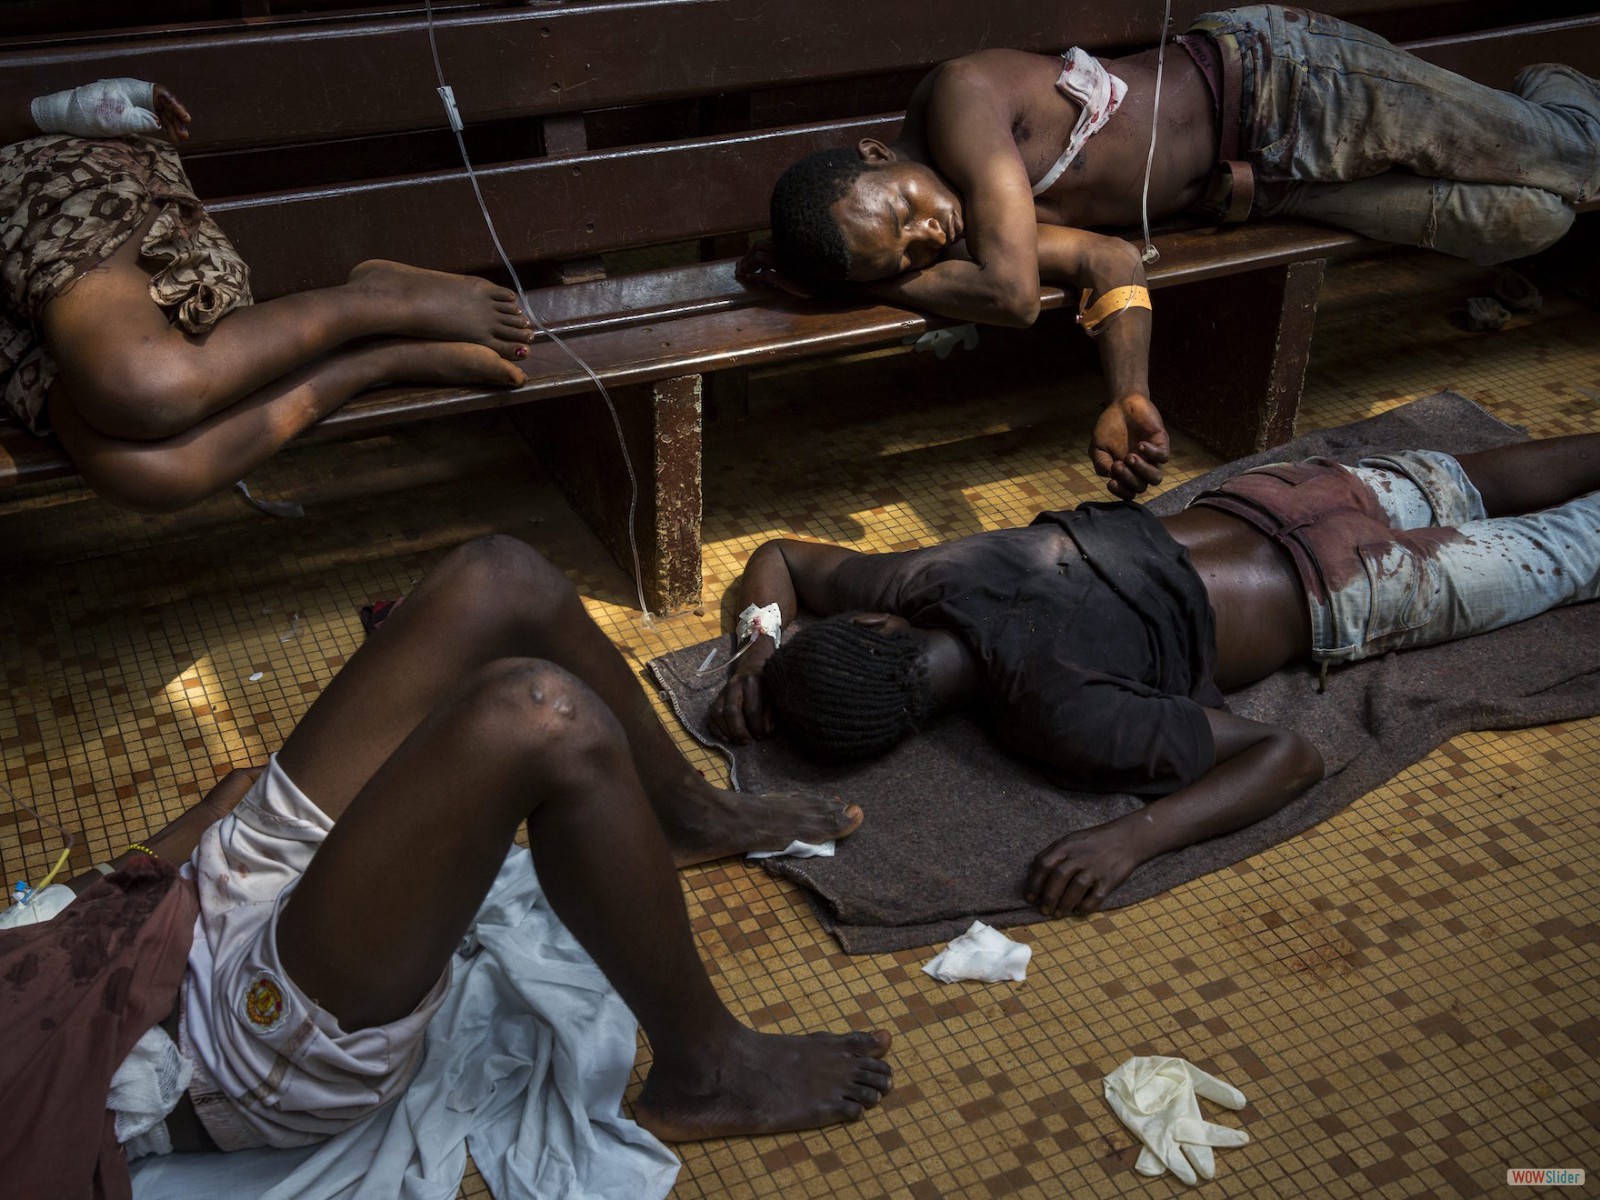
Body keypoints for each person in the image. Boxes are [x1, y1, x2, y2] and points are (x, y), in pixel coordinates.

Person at [0, 536, 891, 1195]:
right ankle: (708, 1070)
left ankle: (688, 814)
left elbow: (45, 934)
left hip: (183, 906)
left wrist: (175, 839)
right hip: (214, 1047)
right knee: (541, 717)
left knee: (504, 581)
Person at [709, 433, 1600, 918]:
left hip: (1353, 588)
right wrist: (762, 642)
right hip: (1276, 496)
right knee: (1460, 476)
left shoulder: (1057, 715)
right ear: (874, 624)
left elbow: (1288, 756)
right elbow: (785, 556)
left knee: (1571, 548)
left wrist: (1134, 837)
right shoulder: (931, 575)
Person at [742, 7, 1600, 498]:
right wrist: (1128, 397)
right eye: (899, 255)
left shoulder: (964, 101)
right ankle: (1544, 101)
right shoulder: (985, 221)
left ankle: (1558, 94)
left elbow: (1007, 297)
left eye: (903, 215)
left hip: (1284, 85)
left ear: (876, 155)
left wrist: (885, 288)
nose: (927, 237)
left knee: (1573, 160)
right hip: (1264, 188)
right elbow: (1112, 264)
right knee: (1535, 222)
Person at [0, 79, 538, 513]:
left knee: (141, 388)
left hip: (32, 191)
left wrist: (73, 107)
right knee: (153, 475)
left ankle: (378, 299)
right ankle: (378, 360)